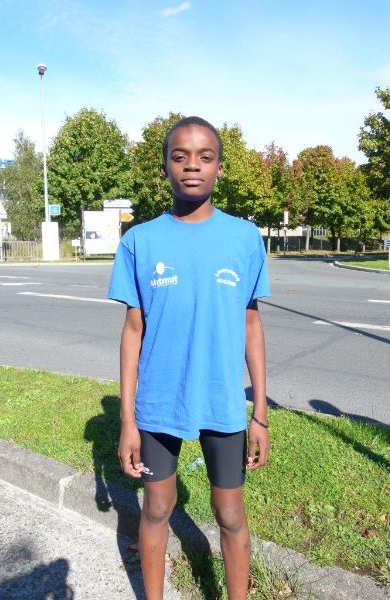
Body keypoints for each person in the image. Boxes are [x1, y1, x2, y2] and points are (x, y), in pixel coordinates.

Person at [108, 116, 270, 600]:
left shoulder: (244, 238)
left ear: (220, 168)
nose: (192, 166)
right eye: (180, 157)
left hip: (222, 401)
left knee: (230, 513)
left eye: (205, 157)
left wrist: (259, 413)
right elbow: (133, 332)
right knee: (157, 507)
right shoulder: (139, 241)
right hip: (159, 402)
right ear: (165, 168)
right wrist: (127, 421)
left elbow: (252, 326)